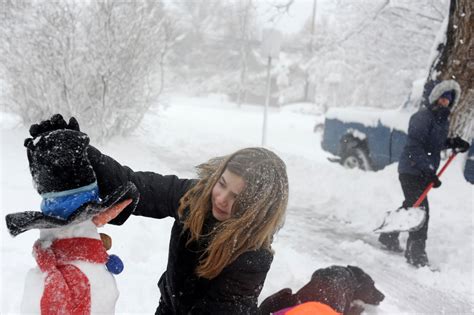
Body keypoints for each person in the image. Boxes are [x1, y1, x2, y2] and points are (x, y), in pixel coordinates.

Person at [26, 114, 289, 314]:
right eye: (222, 184)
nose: (220, 198)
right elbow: (135, 187)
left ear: (255, 210)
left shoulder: (253, 257)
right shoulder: (195, 197)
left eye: (236, 198)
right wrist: (83, 153)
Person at [378, 80, 470, 267]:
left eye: (449, 99)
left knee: (412, 205)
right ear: (436, 98)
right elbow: (414, 147)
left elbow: (435, 143)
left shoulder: (442, 120)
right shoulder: (422, 117)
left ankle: (388, 235)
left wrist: (452, 143)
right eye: (443, 98)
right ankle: (416, 252)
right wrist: (428, 171)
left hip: (423, 171)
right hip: (411, 170)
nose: (445, 102)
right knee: (421, 211)